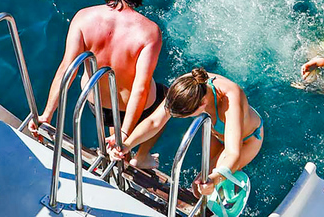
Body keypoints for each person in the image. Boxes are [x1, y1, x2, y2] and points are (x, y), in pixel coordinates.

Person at [30, 0, 164, 169]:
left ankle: (119, 149)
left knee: (112, 118)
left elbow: (67, 69)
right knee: (165, 100)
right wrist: (125, 135)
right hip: (132, 106)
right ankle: (140, 156)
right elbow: (141, 87)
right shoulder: (150, 32)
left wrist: (47, 114)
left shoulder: (83, 17)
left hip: (97, 102)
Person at [108, 68, 263, 197]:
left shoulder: (230, 98)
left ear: (202, 104)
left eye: (188, 115)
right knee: (204, 186)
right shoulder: (187, 84)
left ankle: (232, 189)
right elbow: (155, 121)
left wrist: (214, 180)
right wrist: (126, 144)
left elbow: (232, 153)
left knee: (202, 188)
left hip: (247, 139)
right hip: (216, 132)